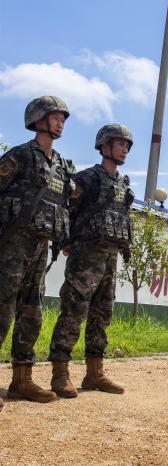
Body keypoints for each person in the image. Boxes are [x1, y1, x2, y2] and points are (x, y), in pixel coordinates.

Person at [48, 124, 135, 398]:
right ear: (105, 146)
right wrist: (65, 240)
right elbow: (67, 210)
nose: (124, 149)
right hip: (86, 256)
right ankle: (60, 373)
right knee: (73, 312)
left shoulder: (124, 184)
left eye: (127, 146)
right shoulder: (86, 179)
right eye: (120, 144)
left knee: (102, 315)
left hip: (110, 257)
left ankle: (94, 373)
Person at [0, 96, 75, 406]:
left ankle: (22, 380)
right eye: (55, 117)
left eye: (63, 119)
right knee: (2, 308)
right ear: (38, 119)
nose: (60, 122)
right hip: (12, 244)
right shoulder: (19, 156)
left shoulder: (61, 166)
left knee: (32, 311)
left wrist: (64, 240)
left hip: (41, 246)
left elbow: (63, 206)